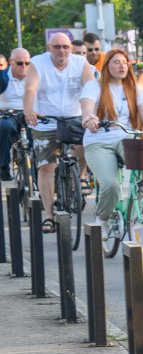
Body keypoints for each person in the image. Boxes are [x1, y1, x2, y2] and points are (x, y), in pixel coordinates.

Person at [22, 31, 99, 228]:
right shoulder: (38, 63)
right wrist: (29, 110)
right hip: (46, 120)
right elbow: (30, 88)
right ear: (49, 48)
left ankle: (80, 175)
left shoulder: (80, 63)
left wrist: (90, 114)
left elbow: (91, 86)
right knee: (47, 166)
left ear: (71, 48)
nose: (61, 51)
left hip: (75, 116)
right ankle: (49, 215)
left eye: (65, 47)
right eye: (57, 47)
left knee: (87, 144)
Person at [79, 46, 143, 230]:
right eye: (116, 62)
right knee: (110, 185)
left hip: (125, 137)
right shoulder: (94, 86)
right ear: (107, 66)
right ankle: (102, 219)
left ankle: (141, 201)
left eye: (124, 63)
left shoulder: (133, 88)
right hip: (98, 141)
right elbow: (87, 107)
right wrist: (90, 118)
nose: (122, 66)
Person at [0, 48, 28, 180]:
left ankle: (37, 168)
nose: (24, 66)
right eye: (20, 63)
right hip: (8, 115)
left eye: (27, 63)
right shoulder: (2, 77)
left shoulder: (34, 76)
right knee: (4, 126)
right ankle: (4, 165)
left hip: (30, 114)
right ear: (11, 62)